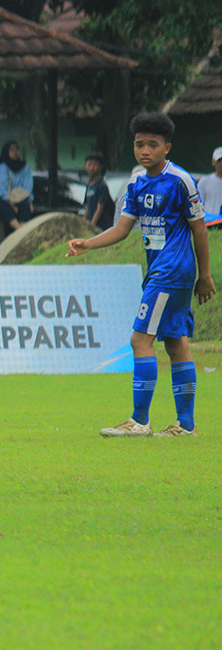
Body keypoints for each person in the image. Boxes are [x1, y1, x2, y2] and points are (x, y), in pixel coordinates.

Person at [67, 111, 214, 437]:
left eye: (152, 145)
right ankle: (185, 425)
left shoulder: (180, 180)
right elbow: (122, 229)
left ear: (167, 148)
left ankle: (139, 421)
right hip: (160, 270)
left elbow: (199, 229)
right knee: (175, 342)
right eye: (139, 144)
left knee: (140, 339)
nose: (145, 150)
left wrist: (205, 275)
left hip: (172, 270)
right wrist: (88, 244)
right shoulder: (135, 183)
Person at [0, 140, 34, 234]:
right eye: (12, 150)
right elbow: (1, 190)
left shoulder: (24, 167)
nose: (15, 152)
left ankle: (23, 229)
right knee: (2, 205)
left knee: (25, 205)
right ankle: (20, 230)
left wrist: (28, 200)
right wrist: (11, 204)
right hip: (2, 198)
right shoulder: (3, 167)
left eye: (17, 149)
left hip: (19, 197)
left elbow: (28, 187)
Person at [82, 152, 114, 230]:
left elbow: (100, 208)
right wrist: (83, 224)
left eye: (95, 165)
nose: (91, 168)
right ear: (85, 166)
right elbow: (87, 208)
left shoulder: (102, 186)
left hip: (102, 227)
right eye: (89, 164)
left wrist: (92, 226)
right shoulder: (89, 186)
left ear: (100, 167)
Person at [196, 146, 222, 219]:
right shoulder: (204, 181)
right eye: (219, 161)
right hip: (209, 222)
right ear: (213, 162)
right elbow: (198, 205)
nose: (221, 164)